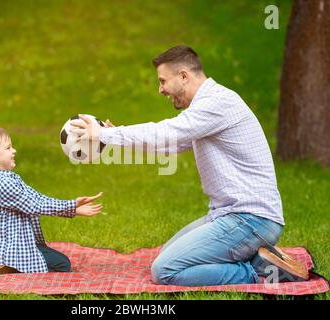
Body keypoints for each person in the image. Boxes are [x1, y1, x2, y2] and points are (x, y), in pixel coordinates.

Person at [70, 45, 308, 285]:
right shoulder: (206, 107)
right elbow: (167, 145)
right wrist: (113, 136)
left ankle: (259, 273)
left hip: (250, 220)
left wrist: (106, 135)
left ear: (184, 76)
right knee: (168, 255)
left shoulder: (216, 103)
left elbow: (165, 133)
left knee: (165, 270)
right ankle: (259, 258)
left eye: (163, 81)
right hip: (228, 216)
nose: (160, 89)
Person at [0, 126, 103, 274]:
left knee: (55, 258)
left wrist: (73, 209)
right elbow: (36, 205)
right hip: (13, 246)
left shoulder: (7, 178)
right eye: (8, 148)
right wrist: (72, 204)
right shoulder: (3, 184)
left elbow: (36, 198)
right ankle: (6, 266)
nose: (14, 151)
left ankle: (9, 264)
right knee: (63, 264)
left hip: (21, 240)